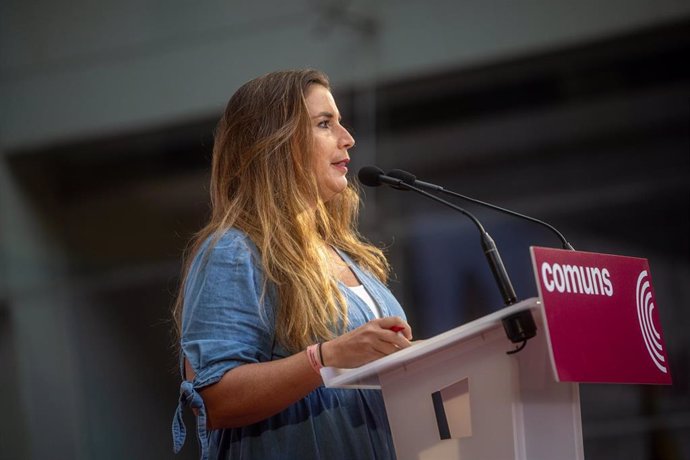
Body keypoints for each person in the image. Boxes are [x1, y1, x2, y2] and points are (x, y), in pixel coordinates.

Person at [171, 69, 413, 460]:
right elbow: (213, 399)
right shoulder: (234, 251)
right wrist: (325, 357)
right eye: (324, 124)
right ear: (276, 145)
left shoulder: (348, 256)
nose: (347, 138)